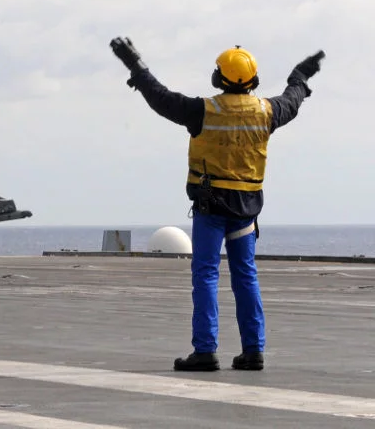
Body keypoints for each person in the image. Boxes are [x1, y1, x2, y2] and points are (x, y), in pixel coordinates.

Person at [109, 37, 324, 372]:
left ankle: (206, 350)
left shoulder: (203, 111)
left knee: (206, 275)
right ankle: (253, 350)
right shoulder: (267, 112)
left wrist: (136, 66)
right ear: (253, 81)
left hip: (211, 209)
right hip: (246, 209)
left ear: (217, 78)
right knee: (246, 276)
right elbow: (292, 100)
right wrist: (300, 75)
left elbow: (161, 98)